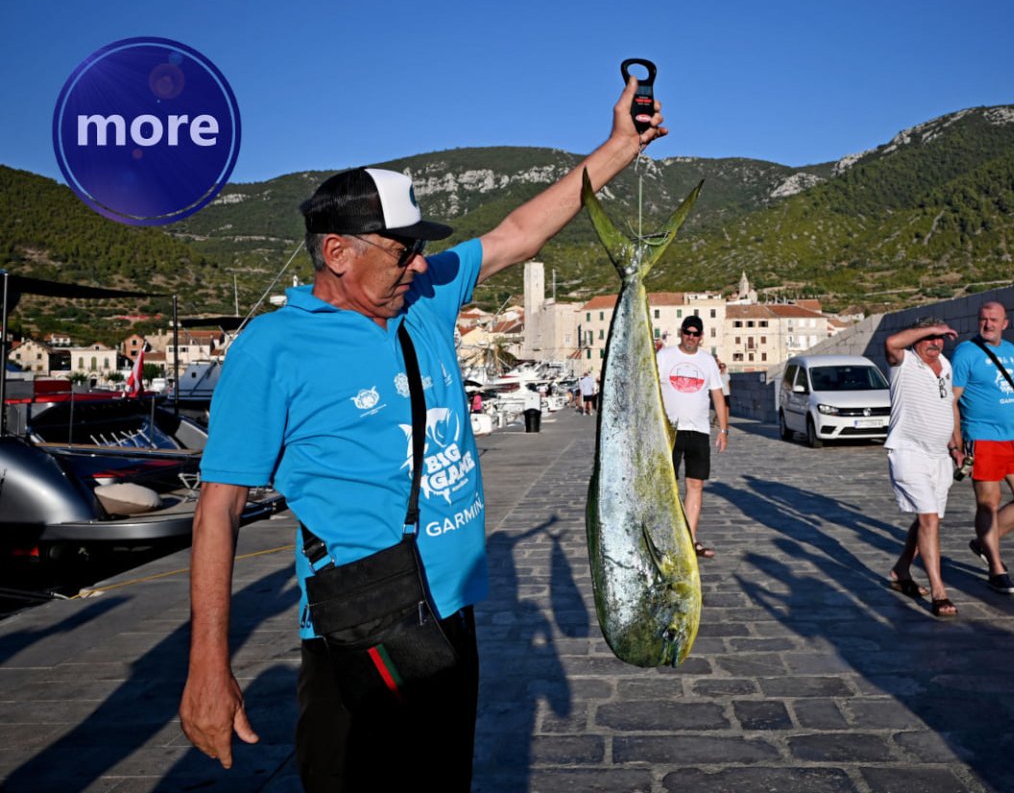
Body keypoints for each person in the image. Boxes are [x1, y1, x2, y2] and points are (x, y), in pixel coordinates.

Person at [178, 77, 667, 791]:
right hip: (360, 626)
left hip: (450, 611)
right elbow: (217, 510)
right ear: (337, 252)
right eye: (401, 249)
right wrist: (207, 667)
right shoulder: (272, 349)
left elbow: (518, 233)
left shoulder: (424, 295)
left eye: (418, 249)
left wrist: (621, 146)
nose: (417, 263)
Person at [953, 301, 1014, 595]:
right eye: (983, 319)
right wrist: (956, 443)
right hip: (983, 437)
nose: (988, 324)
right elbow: (952, 399)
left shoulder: (1010, 350)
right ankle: (996, 567)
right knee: (988, 503)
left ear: (1005, 324)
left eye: (994, 320)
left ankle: (983, 542)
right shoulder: (966, 353)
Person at [883, 317, 963, 617]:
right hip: (909, 453)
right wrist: (932, 329)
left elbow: (949, 405)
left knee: (928, 520)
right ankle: (939, 592)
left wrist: (956, 446)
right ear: (916, 338)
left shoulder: (946, 365)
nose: (935, 343)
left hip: (939, 457)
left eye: (940, 338)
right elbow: (891, 343)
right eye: (930, 337)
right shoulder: (904, 362)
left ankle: (901, 570)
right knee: (929, 518)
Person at [657, 315, 727, 559]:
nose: (691, 337)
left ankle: (690, 541)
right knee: (666, 486)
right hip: (669, 431)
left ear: (701, 337)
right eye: (687, 332)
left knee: (696, 485)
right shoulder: (664, 356)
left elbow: (718, 396)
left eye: (696, 333)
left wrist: (723, 430)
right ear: (681, 333)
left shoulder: (707, 361)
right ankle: (665, 541)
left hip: (699, 431)